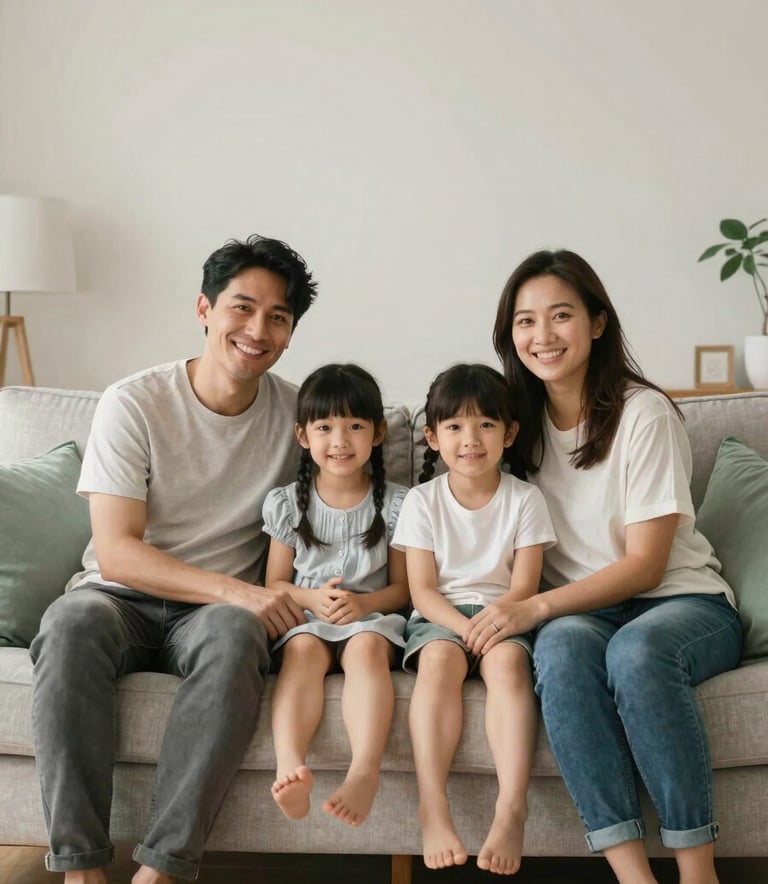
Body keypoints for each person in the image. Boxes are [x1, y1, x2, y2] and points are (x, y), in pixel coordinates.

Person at [29, 234, 318, 884]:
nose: (257, 329)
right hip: (117, 598)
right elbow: (118, 551)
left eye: (278, 317)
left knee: (238, 634)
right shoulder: (134, 402)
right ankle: (80, 869)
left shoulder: (302, 417)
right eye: (242, 308)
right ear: (204, 309)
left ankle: (160, 869)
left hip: (212, 619)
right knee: (69, 624)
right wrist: (239, 591)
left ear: (291, 331)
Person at [489, 249, 743, 884]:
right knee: (563, 652)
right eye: (525, 321)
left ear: (598, 323)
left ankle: (698, 873)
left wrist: (537, 605)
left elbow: (647, 566)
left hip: (682, 603)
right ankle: (632, 876)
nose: (542, 336)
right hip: (585, 613)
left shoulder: (643, 413)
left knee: (635, 652)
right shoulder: (511, 429)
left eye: (561, 316)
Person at [391, 363, 556, 876]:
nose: (470, 439)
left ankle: (512, 806)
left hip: (505, 614)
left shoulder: (526, 499)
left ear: (509, 433)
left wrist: (493, 623)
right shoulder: (421, 501)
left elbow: (524, 588)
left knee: (508, 668)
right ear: (432, 437)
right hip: (442, 618)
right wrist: (463, 631)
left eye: (486, 425)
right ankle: (432, 804)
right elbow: (421, 590)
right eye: (455, 427)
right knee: (439, 664)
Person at [263, 363, 409, 828]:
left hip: (372, 620)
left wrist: (364, 605)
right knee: (302, 650)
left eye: (355, 426)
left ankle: (364, 771)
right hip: (311, 618)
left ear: (379, 433)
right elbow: (275, 585)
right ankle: (289, 765)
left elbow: (405, 589)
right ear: (303, 436)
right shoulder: (288, 503)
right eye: (325, 427)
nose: (340, 440)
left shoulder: (399, 504)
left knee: (365, 648)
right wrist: (309, 599)